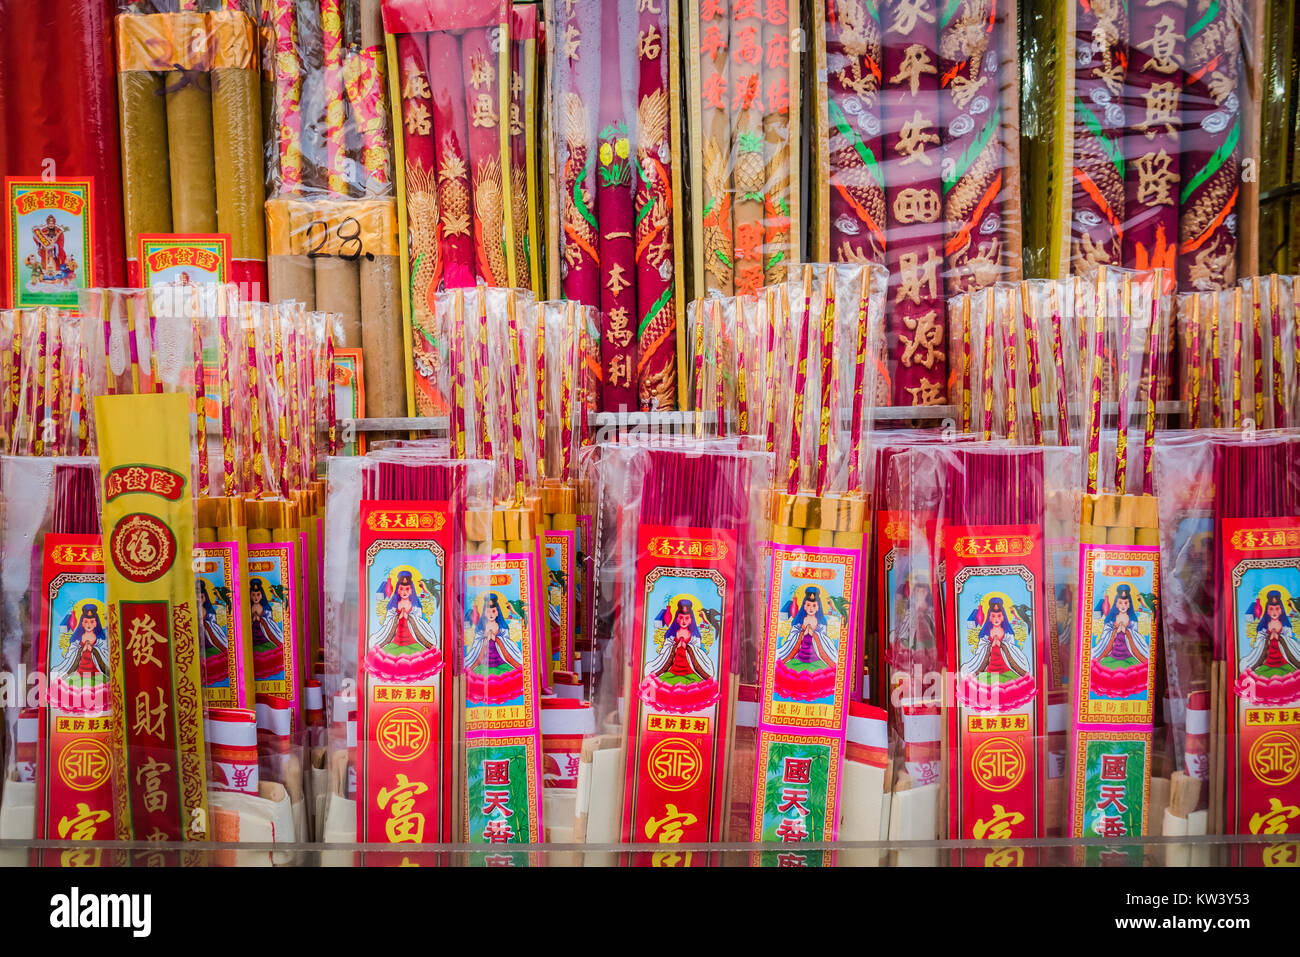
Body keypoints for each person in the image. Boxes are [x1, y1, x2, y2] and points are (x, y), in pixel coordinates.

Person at [639, 598, 719, 713]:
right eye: (681, 618)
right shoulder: (672, 634)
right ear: (677, 618)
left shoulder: (694, 636)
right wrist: (676, 646)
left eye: (687, 618)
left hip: (689, 669)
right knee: (665, 690)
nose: (684, 621)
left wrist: (688, 647)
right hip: (674, 669)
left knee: (692, 693)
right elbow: (666, 652)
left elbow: (697, 653)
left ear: (691, 619)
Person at [958, 596, 1036, 709]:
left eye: (999, 616)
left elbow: (1012, 647)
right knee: (982, 689)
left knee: (1009, 692)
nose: (996, 619)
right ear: (989, 617)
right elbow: (981, 648)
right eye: (993, 616)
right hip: (990, 668)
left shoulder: (1007, 632)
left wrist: (1002, 645)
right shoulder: (986, 633)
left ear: (1003, 617)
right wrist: (990, 645)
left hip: (1004, 667)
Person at [365, 570, 444, 681]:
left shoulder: (415, 605)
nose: (404, 592)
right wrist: (397, 617)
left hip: (412, 636)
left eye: (407, 589)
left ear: (411, 590)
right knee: (388, 659)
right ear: (397, 590)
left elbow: (419, 619)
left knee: (418, 659)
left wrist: (409, 617)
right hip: (397, 637)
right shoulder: (394, 604)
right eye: (401, 589)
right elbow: (389, 619)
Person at [774, 586, 839, 700]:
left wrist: (814, 634)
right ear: (804, 606)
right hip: (799, 658)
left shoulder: (821, 623)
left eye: (814, 605)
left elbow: (824, 640)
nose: (811, 608)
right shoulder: (799, 621)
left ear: (818, 607)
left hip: (816, 660)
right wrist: (802, 633)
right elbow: (792, 637)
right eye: (808, 605)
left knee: (819, 682)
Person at [1237, 588, 1300, 705]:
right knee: (1261, 674)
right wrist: (1268, 638)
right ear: (1267, 611)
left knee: (1289, 675)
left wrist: (1280, 638)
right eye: (1271, 609)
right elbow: (1259, 639)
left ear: (1281, 610)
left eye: (1277, 608)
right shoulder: (1264, 625)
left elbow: (1289, 638)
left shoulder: (1285, 625)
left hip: (1282, 655)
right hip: (1268, 655)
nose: (1274, 611)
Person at [1089, 583, 1150, 698]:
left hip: (1129, 655)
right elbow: (1105, 635)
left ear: (1129, 604)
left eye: (1126, 603)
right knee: (1106, 676)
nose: (1123, 605)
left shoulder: (1132, 619)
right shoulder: (1111, 618)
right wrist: (1115, 630)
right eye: (1120, 602)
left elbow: (1136, 636)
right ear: (1116, 604)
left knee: (1131, 677)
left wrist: (1127, 631)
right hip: (1113, 654)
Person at [465, 593, 525, 704]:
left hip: (500, 658)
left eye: (493, 611)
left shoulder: (502, 627)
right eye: (488, 611)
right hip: (484, 659)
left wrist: (496, 639)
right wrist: (485, 639)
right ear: (484, 613)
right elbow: (476, 643)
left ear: (497, 612)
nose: (491, 614)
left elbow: (507, 642)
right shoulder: (481, 627)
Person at [51, 603, 110, 713]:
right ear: (82, 623)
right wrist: (81, 650)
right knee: (73, 693)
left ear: (96, 623)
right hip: (80, 671)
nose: (89, 624)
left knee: (99, 692)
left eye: (92, 622)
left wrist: (94, 650)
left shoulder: (100, 640)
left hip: (95, 672)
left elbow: (105, 654)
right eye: (86, 622)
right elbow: (71, 654)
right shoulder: (77, 639)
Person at [249, 577, 286, 681]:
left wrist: (260, 619)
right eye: (253, 595)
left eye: (258, 595)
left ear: (262, 595)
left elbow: (269, 619)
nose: (255, 597)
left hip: (263, 632)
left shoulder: (264, 607)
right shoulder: (249, 607)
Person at [197, 578, 230, 688]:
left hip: (207, 636)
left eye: (201, 597)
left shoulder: (208, 611)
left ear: (204, 597)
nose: (198, 599)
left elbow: (213, 625)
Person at [31, 214, 67, 280]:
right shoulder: (43, 230)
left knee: (58, 259)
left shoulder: (58, 231)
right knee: (45, 261)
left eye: (52, 223)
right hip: (46, 250)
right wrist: (43, 244)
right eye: (49, 223)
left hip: (55, 250)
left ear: (54, 223)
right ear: (47, 223)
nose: (51, 225)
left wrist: (55, 245)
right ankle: (45, 274)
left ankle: (57, 275)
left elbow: (61, 241)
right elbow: (37, 238)